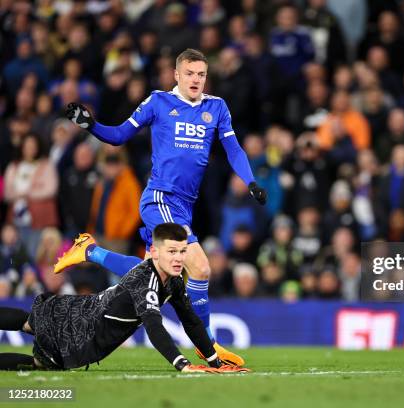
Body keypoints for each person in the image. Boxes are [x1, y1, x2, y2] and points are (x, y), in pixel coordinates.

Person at [56, 49, 267, 366]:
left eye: (201, 74)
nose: (196, 80)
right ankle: (207, 343)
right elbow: (119, 136)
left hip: (185, 205)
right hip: (159, 198)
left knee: (151, 276)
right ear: (177, 75)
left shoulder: (216, 107)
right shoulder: (158, 101)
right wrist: (90, 125)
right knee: (201, 267)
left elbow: (234, 149)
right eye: (190, 73)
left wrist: (250, 181)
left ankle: (89, 251)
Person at [0, 223, 248, 373]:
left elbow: (191, 321)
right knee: (31, 333)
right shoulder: (146, 279)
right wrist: (182, 364)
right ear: (153, 252)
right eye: (171, 251)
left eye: (182, 252)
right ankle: (89, 250)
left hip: (86, 321)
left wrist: (215, 362)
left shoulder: (172, 280)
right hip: (80, 326)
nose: (178, 258)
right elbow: (153, 325)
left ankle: (90, 250)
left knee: (32, 337)